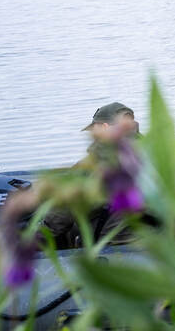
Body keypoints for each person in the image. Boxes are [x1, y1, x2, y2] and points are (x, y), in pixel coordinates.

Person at [40, 103, 143, 248]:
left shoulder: (90, 165)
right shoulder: (153, 153)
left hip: (113, 247)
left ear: (105, 128)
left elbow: (58, 219)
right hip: (155, 240)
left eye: (94, 129)